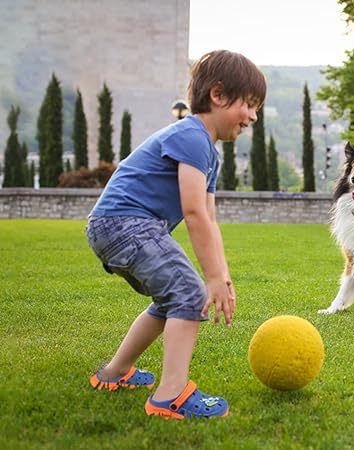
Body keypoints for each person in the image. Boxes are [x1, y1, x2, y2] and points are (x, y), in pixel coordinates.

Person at [86, 50, 267, 420]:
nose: (253, 116)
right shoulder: (192, 136)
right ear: (217, 95)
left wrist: (223, 274)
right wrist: (210, 278)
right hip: (125, 223)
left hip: (117, 226)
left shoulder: (209, 152)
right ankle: (169, 398)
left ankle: (114, 373)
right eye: (248, 104)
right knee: (189, 293)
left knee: (173, 299)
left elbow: (210, 217)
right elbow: (194, 211)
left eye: (257, 108)